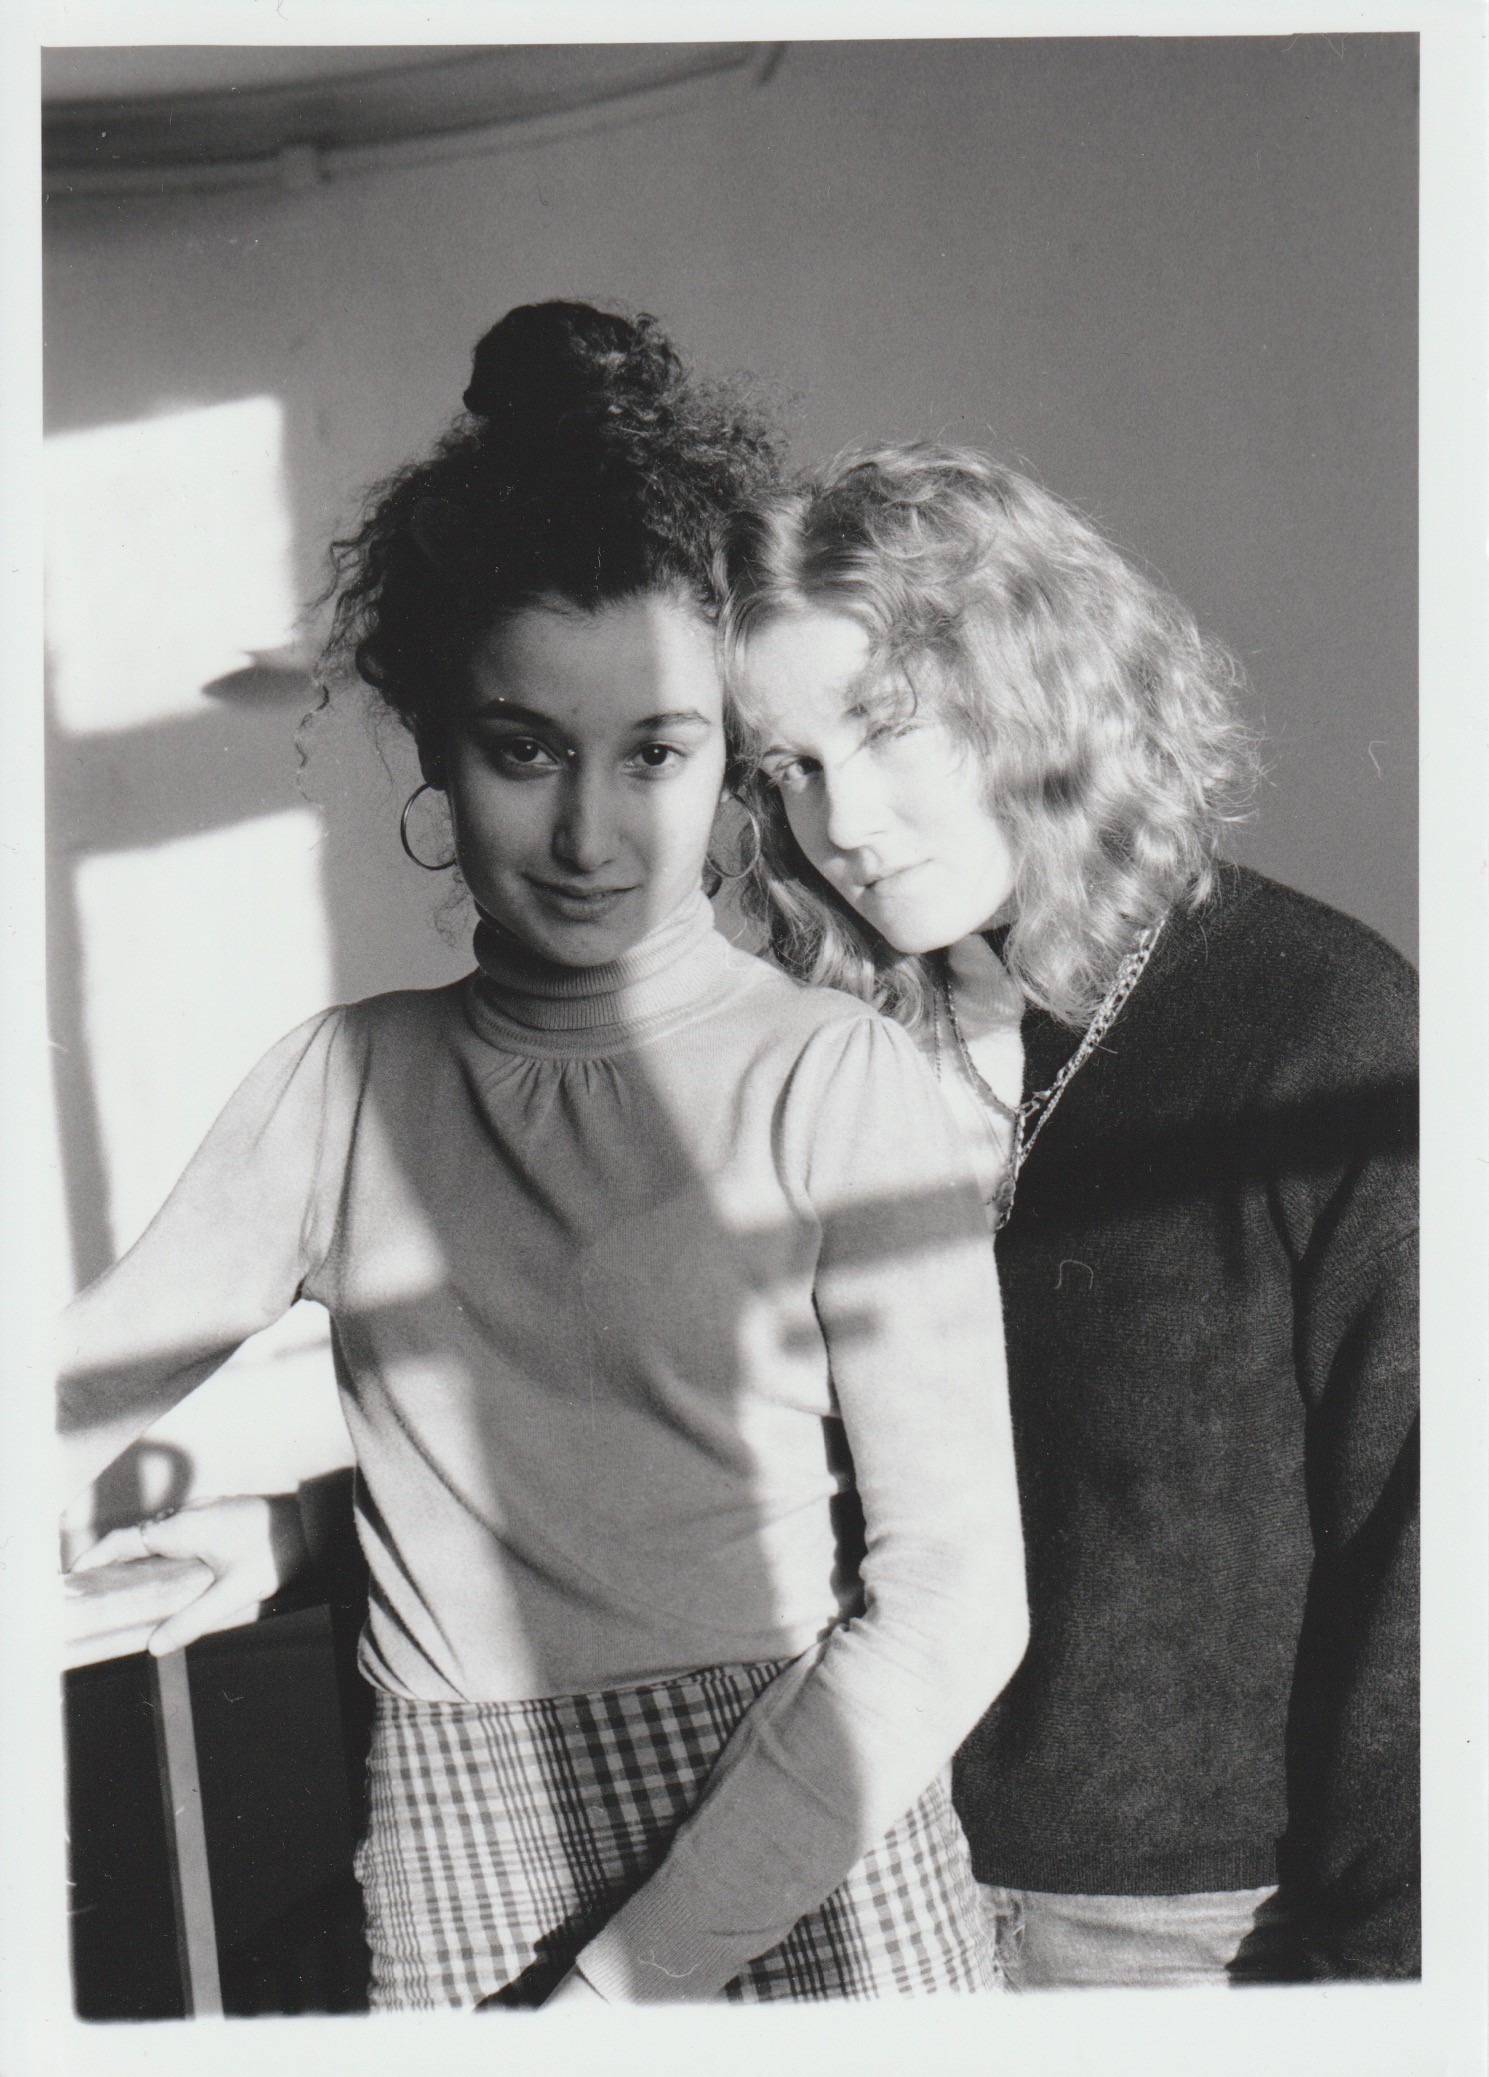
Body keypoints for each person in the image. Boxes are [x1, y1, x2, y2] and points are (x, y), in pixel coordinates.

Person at [58, 313, 1029, 2009]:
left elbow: (953, 1599)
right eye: (523, 749)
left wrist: (619, 1991)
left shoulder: (831, 1077)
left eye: (653, 753)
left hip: (804, 1839)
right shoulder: (343, 1087)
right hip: (466, 1859)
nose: (588, 836)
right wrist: (284, 1537)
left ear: (724, 761)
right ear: (434, 743)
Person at [716, 442, 1419, 1986]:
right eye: (786, 767)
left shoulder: (1322, 1027)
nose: (844, 819)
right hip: (866, 1879)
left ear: (1036, 692)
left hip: (1205, 1934)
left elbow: (1426, 1547)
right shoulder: (839, 1055)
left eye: (883, 727)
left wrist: (1384, 1977)